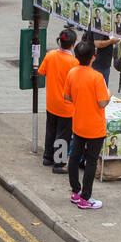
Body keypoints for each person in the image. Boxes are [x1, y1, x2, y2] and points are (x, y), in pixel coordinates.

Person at [64, 39, 110, 210]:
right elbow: (103, 103)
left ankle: (76, 192)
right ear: (93, 57)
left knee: (74, 157)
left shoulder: (72, 73)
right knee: (91, 161)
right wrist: (109, 94)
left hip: (78, 123)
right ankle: (86, 198)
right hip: (95, 127)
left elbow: (67, 97)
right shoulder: (97, 77)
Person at [37, 28, 79, 174]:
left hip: (51, 101)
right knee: (63, 135)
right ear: (73, 44)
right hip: (66, 106)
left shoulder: (50, 55)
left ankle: (47, 157)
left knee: (51, 130)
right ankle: (59, 163)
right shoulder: (74, 62)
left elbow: (41, 71)